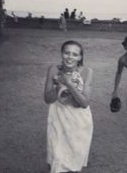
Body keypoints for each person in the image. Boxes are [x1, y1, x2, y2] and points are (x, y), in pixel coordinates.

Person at [44, 40, 93, 173]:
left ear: (80, 57)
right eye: (67, 53)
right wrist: (58, 86)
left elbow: (84, 103)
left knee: (74, 158)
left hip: (79, 119)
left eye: (74, 54)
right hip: (57, 115)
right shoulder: (53, 69)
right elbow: (47, 99)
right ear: (62, 54)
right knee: (56, 156)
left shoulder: (87, 71)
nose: (70, 57)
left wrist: (68, 84)